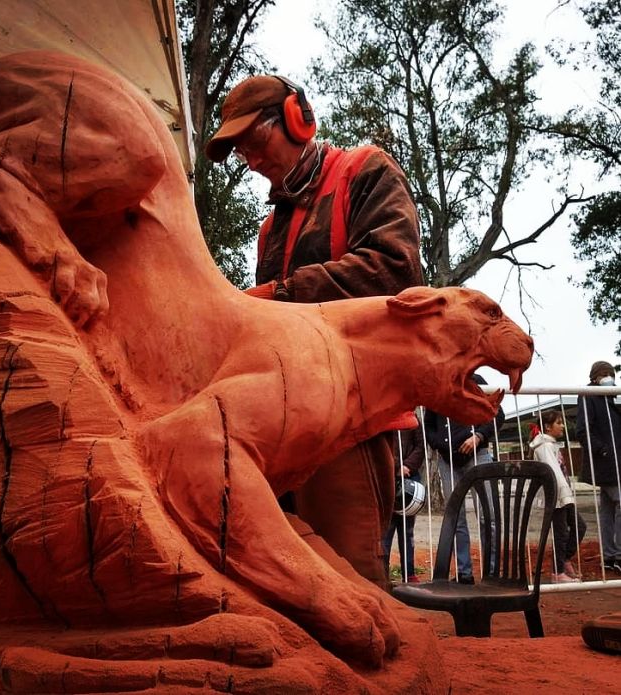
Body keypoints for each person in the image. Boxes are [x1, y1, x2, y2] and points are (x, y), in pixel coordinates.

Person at [205, 75, 423, 586]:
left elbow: (394, 270)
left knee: (351, 578)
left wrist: (279, 295)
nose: (252, 161)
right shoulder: (270, 227)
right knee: (292, 586)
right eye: (242, 153)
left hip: (353, 419)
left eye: (254, 142)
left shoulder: (363, 172)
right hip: (286, 426)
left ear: (296, 118)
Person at [424, 373, 504, 584]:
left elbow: (497, 414)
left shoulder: (477, 380)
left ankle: (492, 573)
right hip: (447, 461)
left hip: (478, 455)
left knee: (489, 517)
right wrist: (440, 445)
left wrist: (478, 437)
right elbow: (429, 425)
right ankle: (464, 574)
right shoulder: (437, 384)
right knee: (456, 518)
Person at [529, 411, 587, 582]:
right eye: (559, 423)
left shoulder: (550, 444)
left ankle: (564, 560)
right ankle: (558, 572)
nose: (562, 426)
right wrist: (564, 496)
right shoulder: (544, 446)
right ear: (548, 427)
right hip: (556, 497)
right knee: (560, 533)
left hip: (563, 495)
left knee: (579, 526)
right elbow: (554, 473)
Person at [576, 360, 621, 574]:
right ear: (594, 377)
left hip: (616, 463)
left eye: (610, 373)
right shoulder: (589, 395)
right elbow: (583, 430)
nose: (608, 377)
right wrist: (602, 450)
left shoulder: (613, 398)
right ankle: (618, 554)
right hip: (606, 462)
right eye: (604, 374)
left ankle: (610, 556)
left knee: (608, 509)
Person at [382, 422, 426, 583]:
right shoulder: (384, 418)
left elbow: (421, 446)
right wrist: (395, 467)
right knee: (386, 531)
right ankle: (383, 574)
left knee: (407, 531)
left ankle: (409, 573)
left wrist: (407, 466)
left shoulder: (413, 419)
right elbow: (381, 447)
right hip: (388, 477)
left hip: (410, 477)